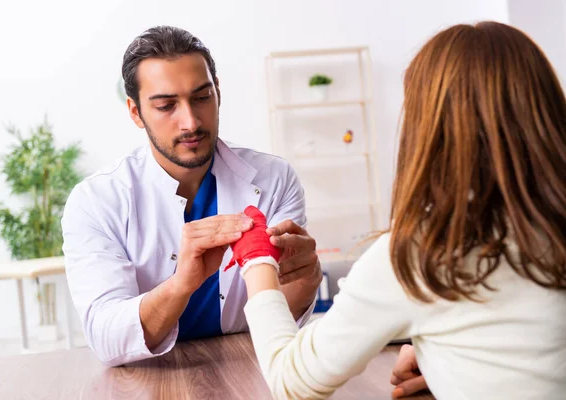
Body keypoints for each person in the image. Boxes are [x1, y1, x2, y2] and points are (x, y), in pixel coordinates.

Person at [237, 21, 566, 399]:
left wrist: (256, 256)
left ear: (429, 130)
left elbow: (291, 379)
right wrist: (449, 358)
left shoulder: (419, 255)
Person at [61, 26, 322, 367]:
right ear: (136, 112)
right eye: (167, 105)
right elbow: (106, 337)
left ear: (218, 93)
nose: (191, 121)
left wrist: (307, 276)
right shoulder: (95, 201)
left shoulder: (275, 179)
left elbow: (280, 317)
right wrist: (182, 284)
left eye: (202, 97)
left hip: (249, 367)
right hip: (148, 379)